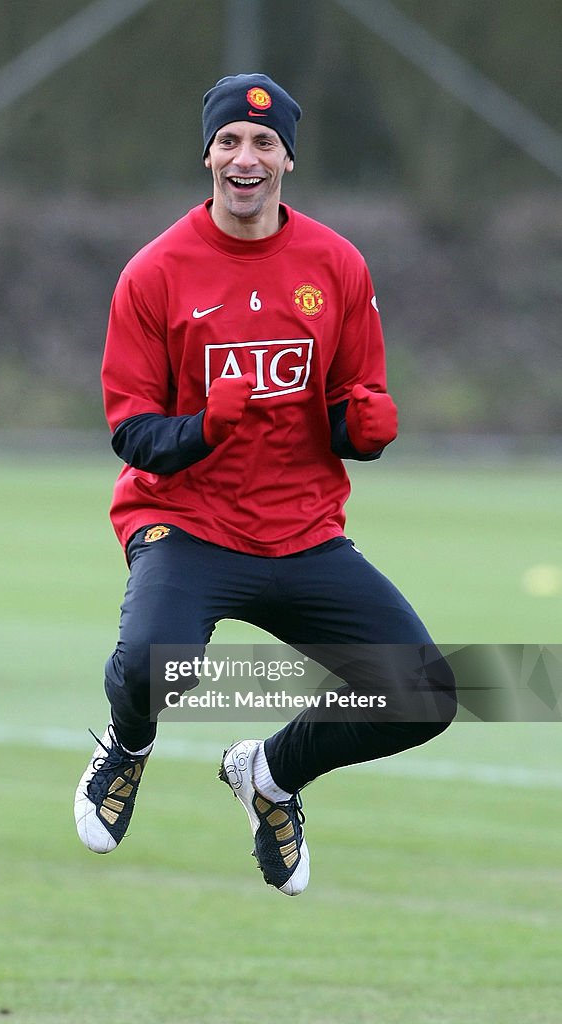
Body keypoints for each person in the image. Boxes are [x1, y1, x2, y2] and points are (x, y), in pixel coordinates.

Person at [74, 73, 456, 896]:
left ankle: (270, 777)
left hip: (303, 531)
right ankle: (127, 746)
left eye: (264, 143)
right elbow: (131, 431)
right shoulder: (154, 273)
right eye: (229, 142)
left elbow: (351, 404)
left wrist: (366, 430)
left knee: (423, 694)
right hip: (188, 522)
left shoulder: (337, 265)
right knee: (149, 665)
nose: (245, 158)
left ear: (288, 159)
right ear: (207, 154)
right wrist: (205, 428)